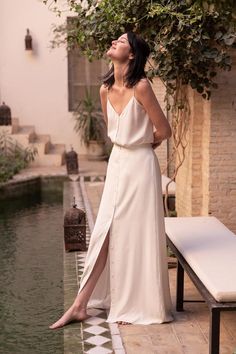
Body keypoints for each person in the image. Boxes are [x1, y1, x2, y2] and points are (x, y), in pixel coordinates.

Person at [49, 31, 173, 329]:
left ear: (131, 55)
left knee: (133, 237)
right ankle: (80, 305)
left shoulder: (142, 87)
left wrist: (143, 145)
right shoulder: (105, 89)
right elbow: (113, 132)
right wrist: (131, 145)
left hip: (141, 167)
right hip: (118, 163)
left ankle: (136, 304)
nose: (114, 42)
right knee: (104, 231)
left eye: (121, 41)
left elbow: (164, 130)